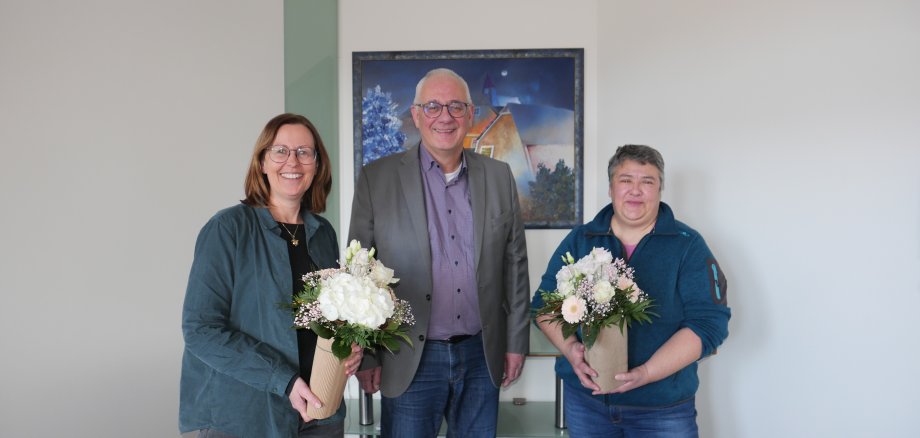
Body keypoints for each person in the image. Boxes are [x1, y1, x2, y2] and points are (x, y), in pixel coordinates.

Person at [348, 68, 530, 437]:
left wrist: (515, 344)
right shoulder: (376, 178)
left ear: (470, 114)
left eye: (455, 107)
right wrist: (366, 354)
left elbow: (516, 268)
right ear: (416, 115)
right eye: (432, 106)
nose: (444, 116)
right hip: (409, 355)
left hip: (481, 353)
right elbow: (358, 273)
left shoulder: (498, 177)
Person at [180, 113, 363, 438]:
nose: (292, 161)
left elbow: (332, 319)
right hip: (245, 416)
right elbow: (201, 330)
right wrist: (284, 380)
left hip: (321, 412)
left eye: (305, 152)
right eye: (280, 151)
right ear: (262, 162)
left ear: (317, 165)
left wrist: (350, 348)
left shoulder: (323, 233)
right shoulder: (227, 229)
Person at [533, 144, 731, 437]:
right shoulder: (580, 239)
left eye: (647, 181)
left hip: (663, 408)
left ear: (660, 189)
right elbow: (544, 305)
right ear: (611, 188)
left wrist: (647, 373)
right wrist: (571, 350)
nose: (635, 190)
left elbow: (709, 324)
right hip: (587, 403)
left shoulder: (687, 245)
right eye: (626, 180)